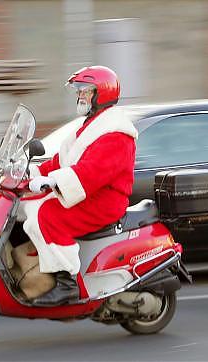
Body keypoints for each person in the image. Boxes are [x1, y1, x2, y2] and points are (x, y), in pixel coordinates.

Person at [19, 66, 138, 305]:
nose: (79, 96)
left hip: (105, 200)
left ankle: (68, 285)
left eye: (85, 91)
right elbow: (63, 160)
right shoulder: (92, 125)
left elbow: (91, 173)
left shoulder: (116, 134)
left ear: (101, 93)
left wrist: (52, 181)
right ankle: (45, 267)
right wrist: (29, 172)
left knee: (50, 215)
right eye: (79, 91)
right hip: (90, 194)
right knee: (29, 203)